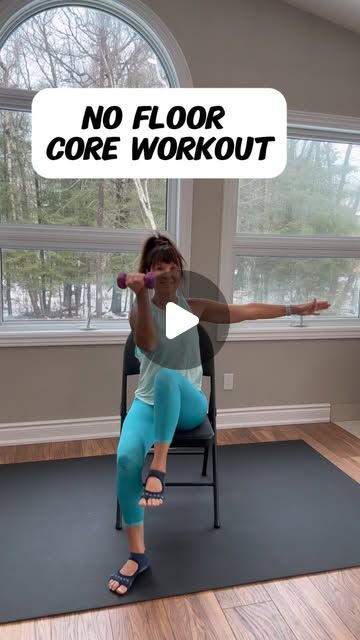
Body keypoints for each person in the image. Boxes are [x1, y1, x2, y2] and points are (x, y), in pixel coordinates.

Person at [108, 232, 331, 595]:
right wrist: (139, 296)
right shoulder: (139, 310)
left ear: (180, 272)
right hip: (148, 404)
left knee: (168, 378)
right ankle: (138, 555)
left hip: (188, 403)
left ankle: (160, 467)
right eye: (159, 268)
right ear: (147, 274)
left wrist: (295, 309)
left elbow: (246, 312)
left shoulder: (192, 309)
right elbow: (148, 343)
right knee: (126, 459)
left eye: (173, 267)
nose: (167, 273)